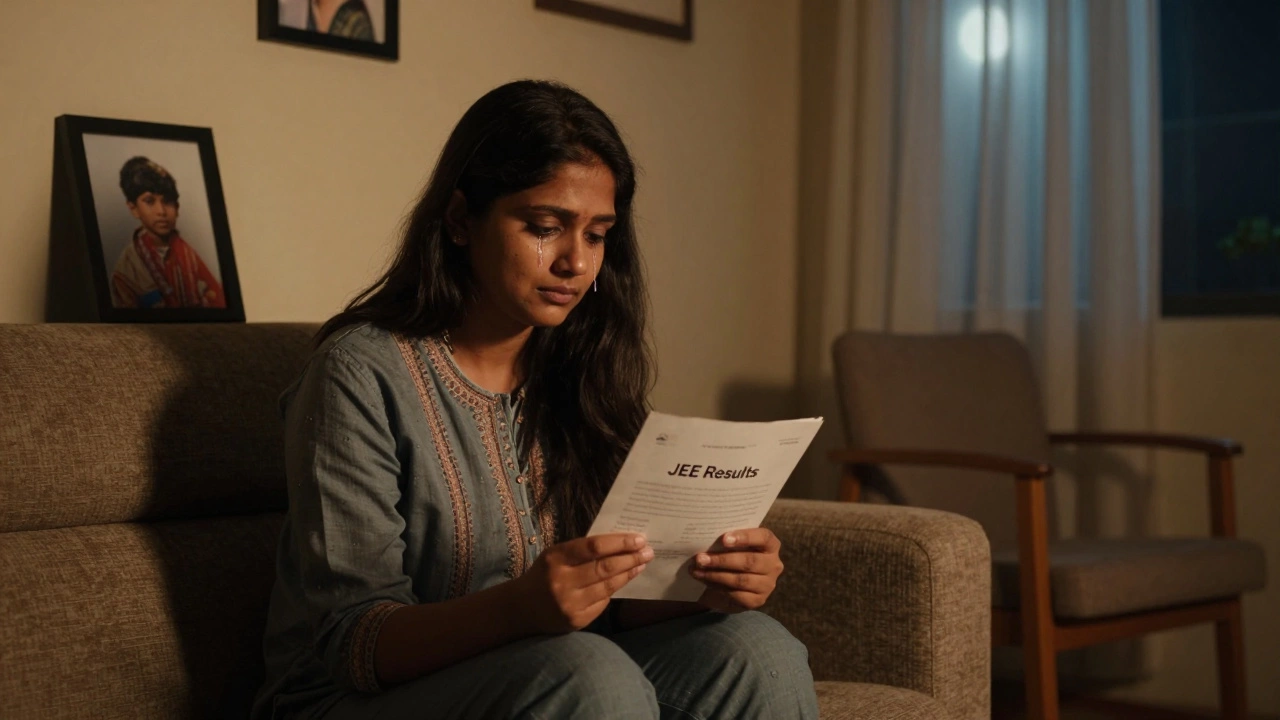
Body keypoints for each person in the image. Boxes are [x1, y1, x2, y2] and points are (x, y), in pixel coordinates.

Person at [251, 80, 819, 720]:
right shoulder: (359, 375)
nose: (577, 262)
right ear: (462, 220)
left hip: (561, 669)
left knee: (756, 649)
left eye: (598, 234)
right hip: (352, 699)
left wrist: (709, 588)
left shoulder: (580, 368)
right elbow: (351, 642)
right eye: (546, 228)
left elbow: (617, 607)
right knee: (589, 672)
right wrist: (522, 607)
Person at [109, 156, 226, 309]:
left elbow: (219, 302)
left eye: (168, 201)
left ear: (177, 208)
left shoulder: (187, 254)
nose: (161, 211)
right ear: (134, 209)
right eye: (150, 201)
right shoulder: (127, 271)